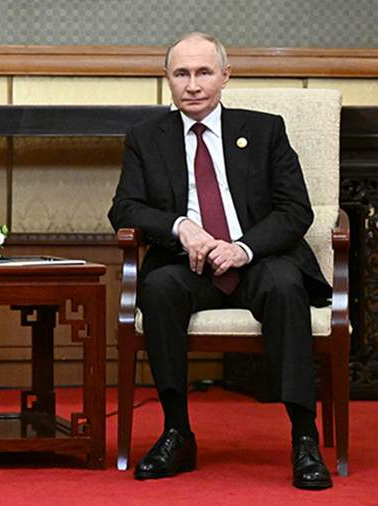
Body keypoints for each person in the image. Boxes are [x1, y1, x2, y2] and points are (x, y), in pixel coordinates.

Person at [108, 32, 333, 490]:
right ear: (167, 79)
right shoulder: (146, 138)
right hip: (188, 266)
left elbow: (295, 211)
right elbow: (124, 208)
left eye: (204, 72)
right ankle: (177, 433)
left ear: (225, 76)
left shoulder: (265, 131)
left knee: (285, 285)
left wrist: (242, 248)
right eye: (181, 73)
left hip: (256, 261)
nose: (192, 85)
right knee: (159, 288)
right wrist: (180, 226)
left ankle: (304, 437)